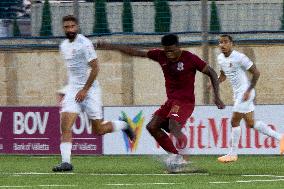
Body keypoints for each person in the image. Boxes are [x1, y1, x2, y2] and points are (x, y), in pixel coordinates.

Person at [98, 34, 225, 171]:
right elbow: (134, 52)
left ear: (178, 47)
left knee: (173, 125)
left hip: (184, 102)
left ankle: (184, 158)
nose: (169, 54)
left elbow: (211, 72)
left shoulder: (190, 58)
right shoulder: (160, 55)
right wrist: (110, 46)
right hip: (170, 102)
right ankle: (176, 158)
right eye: (166, 51)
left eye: (171, 50)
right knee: (152, 127)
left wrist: (216, 96)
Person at [52, 15, 135, 172]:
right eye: (66, 27)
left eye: (72, 26)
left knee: (98, 130)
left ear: (77, 27)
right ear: (63, 28)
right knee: (65, 125)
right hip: (73, 90)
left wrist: (85, 89)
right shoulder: (63, 46)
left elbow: (96, 68)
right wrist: (66, 88)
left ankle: (124, 124)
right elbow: (72, 70)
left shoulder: (84, 43)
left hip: (91, 91)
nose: (69, 29)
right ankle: (66, 163)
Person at [217, 34, 284, 163]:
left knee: (234, 122)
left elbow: (256, 72)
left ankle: (232, 154)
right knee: (250, 123)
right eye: (220, 42)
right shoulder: (220, 58)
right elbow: (223, 75)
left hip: (245, 92)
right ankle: (280, 137)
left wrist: (249, 90)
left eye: (225, 42)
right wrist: (215, 82)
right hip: (238, 94)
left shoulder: (239, 57)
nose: (222, 45)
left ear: (232, 44)